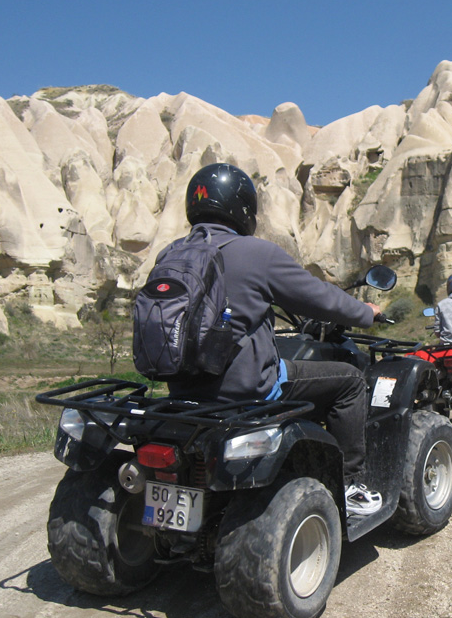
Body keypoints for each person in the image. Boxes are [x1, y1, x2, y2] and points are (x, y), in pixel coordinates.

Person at [162, 163, 383, 516]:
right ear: (243, 208)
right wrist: (365, 313)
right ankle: (351, 484)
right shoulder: (255, 253)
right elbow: (320, 297)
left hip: (181, 390)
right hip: (247, 389)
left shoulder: (170, 254)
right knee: (351, 381)